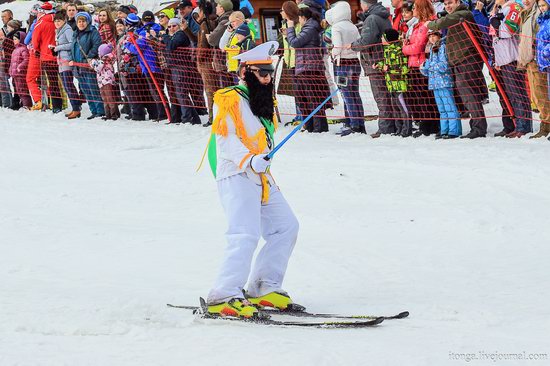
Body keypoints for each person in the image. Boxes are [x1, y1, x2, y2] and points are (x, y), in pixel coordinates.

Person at [205, 41, 300, 318]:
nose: (267, 77)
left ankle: (264, 286)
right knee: (244, 233)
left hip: (261, 176)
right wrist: (248, 159)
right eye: (261, 72)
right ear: (245, 70)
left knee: (286, 227)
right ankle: (223, 293)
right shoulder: (229, 98)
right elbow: (225, 139)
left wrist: (259, 161)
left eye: (270, 71)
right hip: (236, 173)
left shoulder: (259, 100)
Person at [427, 0, 488, 139]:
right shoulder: (456, 15)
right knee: (467, 94)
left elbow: (441, 22)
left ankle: (479, 128)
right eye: (446, 4)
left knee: (469, 94)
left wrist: (429, 24)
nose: (448, 6)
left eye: (450, 3)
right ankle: (476, 126)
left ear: (458, 2)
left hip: (468, 59)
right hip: (460, 61)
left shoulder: (463, 14)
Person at [349, 0, 394, 138]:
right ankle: (392, 125)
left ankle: (386, 128)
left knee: (381, 96)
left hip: (375, 61)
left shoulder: (372, 18)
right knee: (386, 95)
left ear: (365, 4)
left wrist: (352, 45)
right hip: (382, 59)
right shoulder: (381, 16)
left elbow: (366, 41)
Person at [490, 0, 533, 137]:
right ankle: (516, 125)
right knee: (510, 95)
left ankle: (523, 127)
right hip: (503, 59)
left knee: (517, 94)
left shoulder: (514, 6)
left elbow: (509, 31)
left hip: (512, 58)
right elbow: (495, 37)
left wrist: (497, 25)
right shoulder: (499, 8)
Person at [286, 6, 330, 133]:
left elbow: (295, 43)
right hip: (304, 67)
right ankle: (310, 126)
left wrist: (290, 28)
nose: (298, 21)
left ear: (303, 18)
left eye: (299, 18)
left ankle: (319, 128)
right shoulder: (309, 27)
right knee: (303, 98)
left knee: (313, 98)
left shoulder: (310, 28)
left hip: (309, 67)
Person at [402, 0, 440, 137]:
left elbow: (417, 47)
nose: (413, 9)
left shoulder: (424, 26)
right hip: (415, 63)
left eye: (414, 7)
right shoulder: (419, 25)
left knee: (425, 97)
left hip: (420, 65)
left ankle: (428, 126)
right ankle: (427, 125)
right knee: (421, 97)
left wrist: (404, 48)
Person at [326, 1, 365, 136]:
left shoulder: (336, 27)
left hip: (342, 64)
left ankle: (353, 124)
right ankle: (360, 123)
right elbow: (358, 41)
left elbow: (337, 46)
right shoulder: (353, 26)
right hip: (354, 62)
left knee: (347, 95)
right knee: (355, 94)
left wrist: (332, 53)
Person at [421, 29, 462, 138]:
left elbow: (444, 66)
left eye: (434, 36)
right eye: (429, 37)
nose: (431, 38)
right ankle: (444, 130)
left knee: (450, 107)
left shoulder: (443, 47)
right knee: (442, 109)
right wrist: (423, 68)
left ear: (439, 36)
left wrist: (430, 66)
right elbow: (428, 70)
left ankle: (454, 130)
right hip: (434, 83)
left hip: (444, 82)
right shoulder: (431, 50)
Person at [376, 29, 411, 137]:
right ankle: (399, 128)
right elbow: (387, 64)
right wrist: (380, 65)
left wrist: (389, 69)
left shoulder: (398, 50)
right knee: (395, 107)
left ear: (388, 38)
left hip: (400, 84)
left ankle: (407, 129)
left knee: (402, 107)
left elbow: (405, 68)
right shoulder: (387, 50)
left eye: (383, 37)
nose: (381, 39)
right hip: (391, 84)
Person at [71, 11, 105, 119]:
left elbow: (97, 45)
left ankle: (100, 110)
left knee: (93, 88)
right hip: (78, 66)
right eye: (79, 21)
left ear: (88, 22)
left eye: (83, 21)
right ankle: (93, 110)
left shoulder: (92, 31)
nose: (81, 23)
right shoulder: (75, 33)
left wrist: (89, 57)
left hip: (88, 65)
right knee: (85, 90)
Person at [52, 10, 82, 119]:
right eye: (55, 21)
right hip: (61, 61)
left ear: (64, 20)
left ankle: (76, 108)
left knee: (69, 85)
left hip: (67, 61)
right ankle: (75, 107)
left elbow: (71, 44)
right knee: (66, 85)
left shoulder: (67, 29)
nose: (57, 23)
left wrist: (58, 48)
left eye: (59, 21)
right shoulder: (59, 31)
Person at [89, 43, 120, 120]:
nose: (98, 53)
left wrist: (92, 63)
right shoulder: (105, 59)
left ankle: (113, 114)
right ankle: (108, 114)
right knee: (106, 98)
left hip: (106, 81)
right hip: (103, 81)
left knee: (108, 98)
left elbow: (98, 68)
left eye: (99, 52)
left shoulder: (104, 60)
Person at [8, 31, 32, 109]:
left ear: (21, 39)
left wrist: (20, 67)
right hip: (15, 74)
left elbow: (26, 59)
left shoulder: (23, 49)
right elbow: (12, 62)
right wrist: (10, 69)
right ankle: (22, 103)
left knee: (23, 89)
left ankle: (27, 104)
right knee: (18, 90)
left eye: (16, 39)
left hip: (21, 73)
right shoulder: (15, 50)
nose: (14, 40)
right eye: (13, 39)